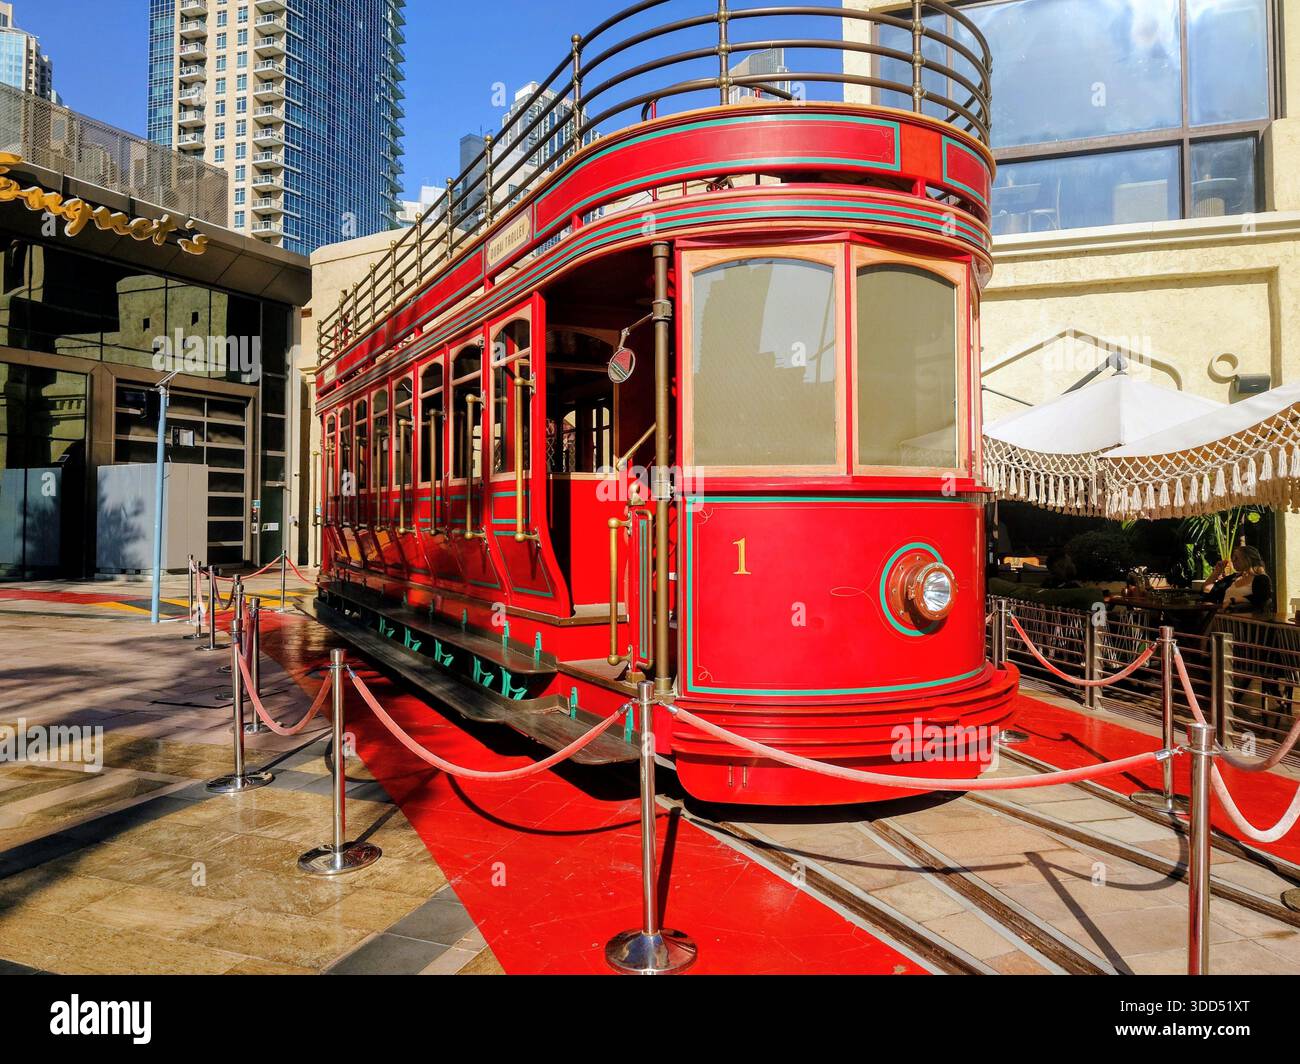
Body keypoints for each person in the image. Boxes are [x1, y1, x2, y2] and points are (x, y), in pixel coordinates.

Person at [1202, 545, 1273, 613]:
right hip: (1223, 620)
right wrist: (1216, 572)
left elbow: (1262, 600)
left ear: (1247, 559)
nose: (1233, 561)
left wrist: (1233, 600)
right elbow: (1207, 590)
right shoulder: (1233, 578)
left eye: (1236, 558)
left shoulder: (1261, 578)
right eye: (1232, 559)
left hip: (1244, 621)